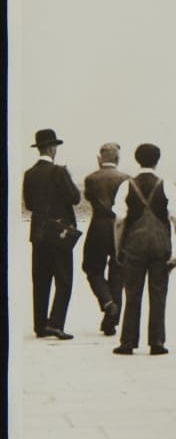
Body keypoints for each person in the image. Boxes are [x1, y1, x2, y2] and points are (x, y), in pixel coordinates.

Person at [111, 143, 176, 356]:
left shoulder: (127, 186)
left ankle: (128, 342)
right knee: (158, 293)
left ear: (137, 160)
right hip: (160, 245)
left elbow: (119, 221)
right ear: (157, 159)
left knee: (132, 293)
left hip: (133, 246)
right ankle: (157, 342)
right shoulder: (167, 185)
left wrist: (118, 248)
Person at [22, 129, 82, 340]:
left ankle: (40, 325)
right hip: (59, 233)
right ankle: (55, 324)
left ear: (39, 148)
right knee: (64, 279)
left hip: (38, 232)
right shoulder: (59, 172)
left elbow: (29, 204)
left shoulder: (29, 173)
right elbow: (75, 198)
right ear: (52, 148)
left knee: (40, 279)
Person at [82, 142, 131, 336]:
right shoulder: (126, 178)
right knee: (117, 272)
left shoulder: (91, 179)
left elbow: (89, 197)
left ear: (100, 158)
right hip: (119, 228)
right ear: (117, 159)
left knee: (92, 268)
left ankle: (107, 301)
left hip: (98, 227)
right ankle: (111, 320)